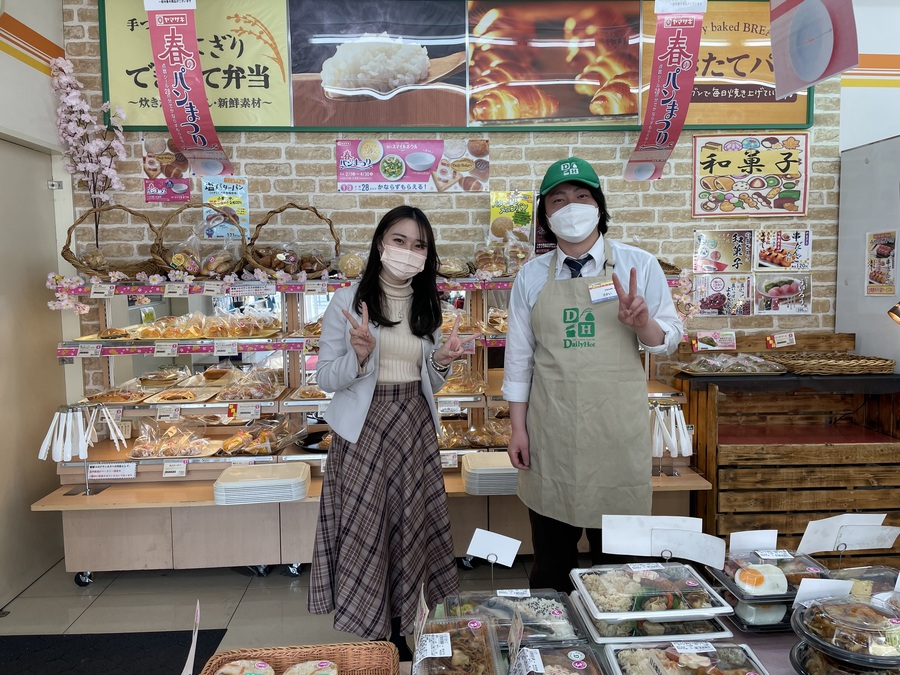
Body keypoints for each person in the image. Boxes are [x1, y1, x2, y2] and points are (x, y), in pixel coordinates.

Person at [503, 157, 684, 592]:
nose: (571, 206)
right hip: (552, 432)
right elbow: (519, 357)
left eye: (582, 196)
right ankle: (555, 632)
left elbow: (669, 338)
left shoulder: (639, 265)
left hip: (616, 434)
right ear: (546, 216)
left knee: (620, 569)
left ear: (599, 206)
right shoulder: (530, 277)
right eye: (558, 200)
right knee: (552, 565)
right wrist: (517, 428)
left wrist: (642, 323)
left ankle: (618, 633)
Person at [308, 205, 474, 659]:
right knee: (370, 526)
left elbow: (427, 380)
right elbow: (326, 377)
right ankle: (375, 630)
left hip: (413, 424)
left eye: (419, 245)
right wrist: (359, 356)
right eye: (399, 240)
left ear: (427, 255)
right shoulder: (347, 301)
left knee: (410, 524)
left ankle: (404, 625)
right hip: (364, 431)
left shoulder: (427, 303)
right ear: (381, 242)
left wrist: (441, 362)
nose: (408, 251)